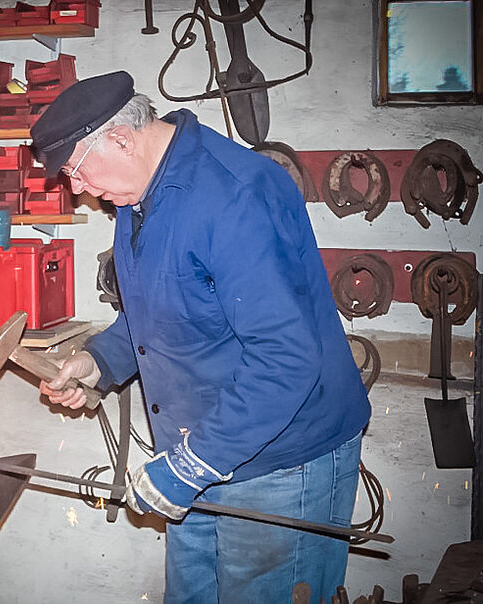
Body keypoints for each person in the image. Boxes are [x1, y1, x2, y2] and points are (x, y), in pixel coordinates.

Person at [31, 71, 371, 603]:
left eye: (75, 169)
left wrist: (195, 464)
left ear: (120, 138)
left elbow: (285, 358)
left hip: (279, 461)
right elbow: (164, 307)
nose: (74, 188)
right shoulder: (135, 195)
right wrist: (99, 361)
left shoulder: (237, 195)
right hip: (198, 452)